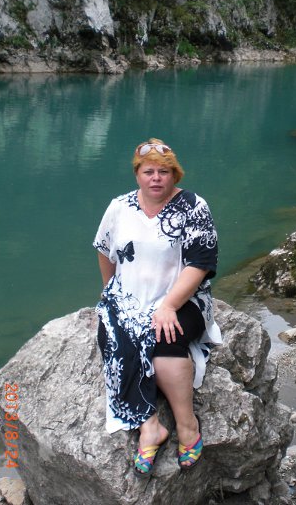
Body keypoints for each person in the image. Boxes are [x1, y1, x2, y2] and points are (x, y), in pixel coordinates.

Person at [93, 138, 222, 476]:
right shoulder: (119, 207)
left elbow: (200, 263)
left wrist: (168, 306)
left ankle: (187, 425)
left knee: (164, 340)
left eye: (163, 172)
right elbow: (104, 250)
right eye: (148, 171)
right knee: (116, 341)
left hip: (183, 299)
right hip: (130, 297)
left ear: (174, 175)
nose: (156, 178)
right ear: (137, 174)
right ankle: (150, 426)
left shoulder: (193, 206)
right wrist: (110, 292)